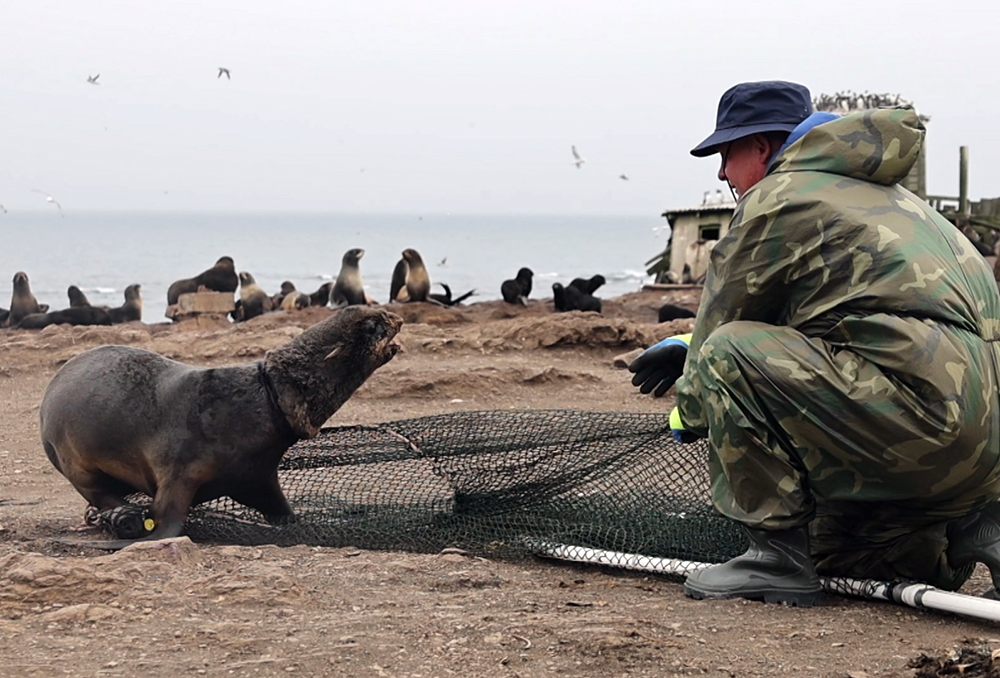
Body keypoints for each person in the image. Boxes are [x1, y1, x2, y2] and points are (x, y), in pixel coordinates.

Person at [629, 80, 1000, 606]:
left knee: (726, 352)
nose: (719, 173)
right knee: (850, 561)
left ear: (759, 148)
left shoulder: (780, 197)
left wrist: (691, 403)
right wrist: (691, 343)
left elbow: (724, 335)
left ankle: (775, 558)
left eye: (723, 153)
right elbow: (860, 319)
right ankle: (980, 526)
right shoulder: (902, 203)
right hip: (985, 457)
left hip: (921, 428)